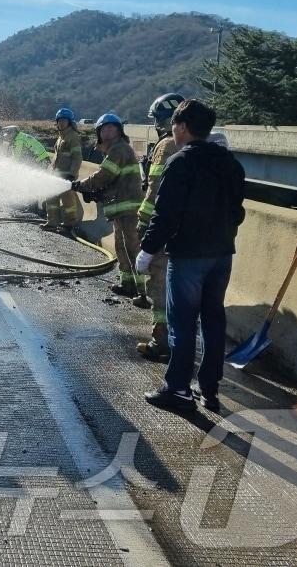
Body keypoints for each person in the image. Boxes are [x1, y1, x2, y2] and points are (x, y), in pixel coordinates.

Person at [136, 99, 245, 413]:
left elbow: (166, 214)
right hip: (222, 255)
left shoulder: (181, 162)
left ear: (182, 126)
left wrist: (147, 250)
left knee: (182, 323)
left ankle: (178, 389)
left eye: (174, 125)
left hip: (188, 257)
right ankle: (209, 389)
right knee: (213, 321)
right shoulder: (231, 164)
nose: (172, 130)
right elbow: (238, 212)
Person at [135, 93, 185, 361]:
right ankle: (180, 342)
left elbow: (154, 190)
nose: (155, 123)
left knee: (159, 286)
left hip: (164, 230)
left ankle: (161, 343)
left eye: (156, 118)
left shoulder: (165, 146)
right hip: (191, 233)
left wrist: (144, 223)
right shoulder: (202, 145)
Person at [72, 113, 144, 297]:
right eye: (103, 128)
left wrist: (83, 185)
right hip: (121, 207)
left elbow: (105, 175)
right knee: (121, 248)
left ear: (119, 131)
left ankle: (144, 292)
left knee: (133, 249)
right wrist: (99, 194)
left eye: (111, 127)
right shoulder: (114, 149)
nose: (107, 131)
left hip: (129, 208)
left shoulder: (119, 149)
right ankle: (128, 285)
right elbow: (114, 181)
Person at [42, 108, 83, 231]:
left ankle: (69, 225)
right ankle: (52, 222)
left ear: (70, 122)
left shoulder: (72, 137)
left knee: (68, 202)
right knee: (51, 198)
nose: (61, 123)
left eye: (64, 120)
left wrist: (72, 174)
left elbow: (77, 158)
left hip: (66, 176)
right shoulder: (60, 138)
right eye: (59, 120)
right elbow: (56, 157)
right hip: (56, 175)